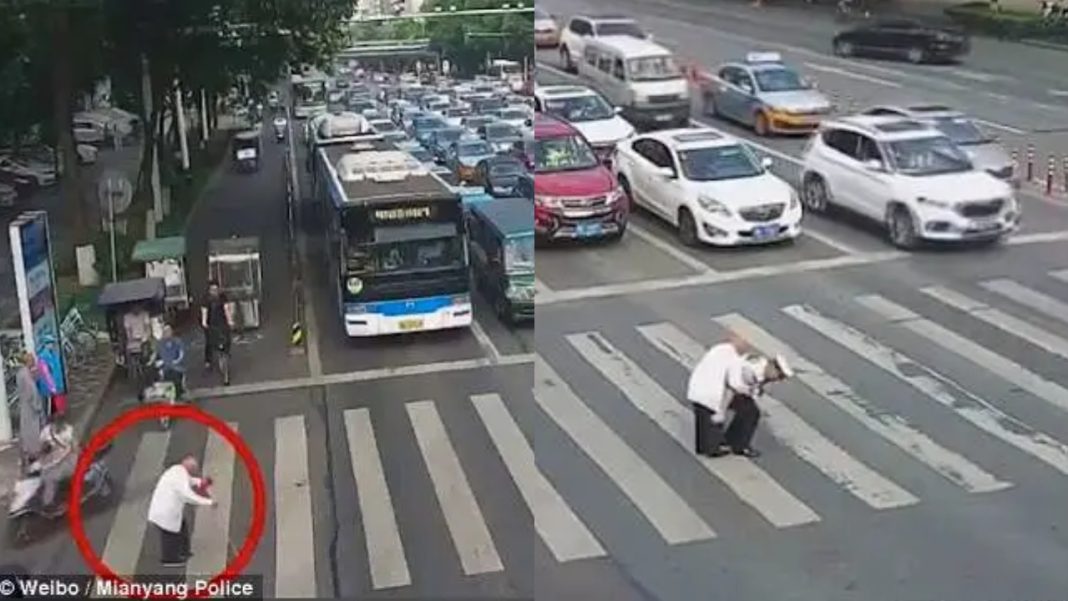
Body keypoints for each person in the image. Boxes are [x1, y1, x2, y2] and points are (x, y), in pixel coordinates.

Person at [687, 334, 751, 458]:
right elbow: (735, 383)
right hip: (712, 393)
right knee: (714, 420)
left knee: (702, 419)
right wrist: (746, 390)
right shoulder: (735, 358)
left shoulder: (718, 349)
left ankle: (702, 446)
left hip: (696, 387)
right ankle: (712, 448)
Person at [147, 454, 216, 567]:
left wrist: (200, 482)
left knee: (181, 528)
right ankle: (169, 559)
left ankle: (184, 551)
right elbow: (188, 496)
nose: (194, 471)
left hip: (167, 510)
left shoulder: (177, 470)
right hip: (165, 513)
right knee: (170, 535)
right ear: (190, 467)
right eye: (194, 469)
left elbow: (189, 480)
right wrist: (209, 502)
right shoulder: (180, 475)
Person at [721, 353, 794, 458]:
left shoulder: (762, 368)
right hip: (722, 387)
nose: (779, 379)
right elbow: (735, 385)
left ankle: (733, 441)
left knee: (749, 412)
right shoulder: (752, 371)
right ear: (773, 367)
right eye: (780, 375)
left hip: (731, 386)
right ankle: (735, 444)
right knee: (749, 412)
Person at [36, 413, 77, 513]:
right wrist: (45, 449)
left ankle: (48, 504)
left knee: (51, 479)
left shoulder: (68, 431)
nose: (57, 425)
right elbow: (40, 449)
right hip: (49, 462)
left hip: (66, 460)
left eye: (60, 423)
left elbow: (75, 446)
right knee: (47, 477)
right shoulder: (46, 432)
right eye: (56, 423)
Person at [200, 280, 234, 383]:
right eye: (212, 289)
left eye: (216, 289)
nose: (214, 291)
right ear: (209, 290)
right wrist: (204, 322)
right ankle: (208, 361)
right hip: (212, 325)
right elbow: (204, 311)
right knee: (209, 343)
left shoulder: (222, 297)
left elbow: (227, 309)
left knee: (225, 342)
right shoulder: (206, 299)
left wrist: (230, 320)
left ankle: (225, 363)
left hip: (222, 324)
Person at [16, 352, 45, 467]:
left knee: (25, 429)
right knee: (32, 430)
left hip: (24, 405)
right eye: (32, 360)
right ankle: (33, 453)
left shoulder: (21, 373)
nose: (34, 362)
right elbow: (32, 392)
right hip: (30, 407)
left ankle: (26, 453)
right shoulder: (26, 375)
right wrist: (38, 406)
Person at [157, 324, 186, 398]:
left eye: (168, 331)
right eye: (165, 331)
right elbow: (158, 356)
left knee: (176, 375)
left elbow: (181, 354)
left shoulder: (177, 341)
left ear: (171, 332)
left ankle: (179, 392)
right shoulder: (160, 343)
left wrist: (175, 362)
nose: (167, 333)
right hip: (165, 367)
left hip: (176, 366)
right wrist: (160, 365)